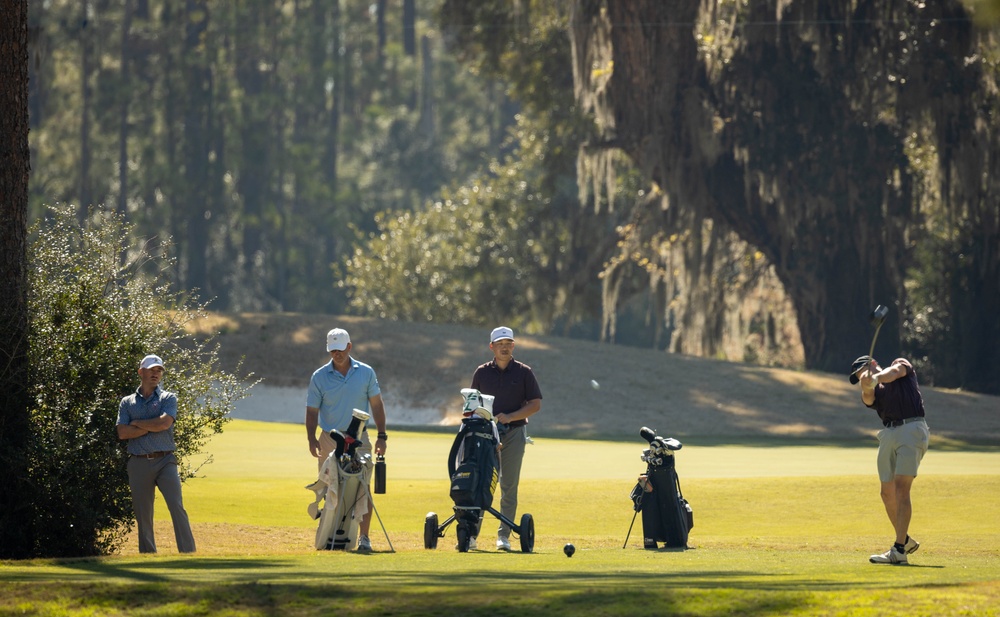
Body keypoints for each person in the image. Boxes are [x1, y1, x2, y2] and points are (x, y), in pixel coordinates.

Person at [305, 328, 388, 552]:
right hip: (329, 439)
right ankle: (330, 532)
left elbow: (377, 405)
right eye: (332, 350)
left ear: (349, 347)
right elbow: (312, 411)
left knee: (362, 487)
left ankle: (364, 538)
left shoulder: (366, 372)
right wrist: (311, 438)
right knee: (330, 486)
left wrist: (382, 436)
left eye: (340, 349)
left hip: (359, 438)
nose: (336, 354)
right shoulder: (319, 376)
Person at [850, 355, 929, 565]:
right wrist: (867, 386)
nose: (860, 377)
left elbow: (893, 374)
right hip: (888, 433)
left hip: (911, 428)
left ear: (872, 364)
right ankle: (906, 540)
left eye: (860, 372)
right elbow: (868, 397)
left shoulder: (900, 365)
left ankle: (899, 549)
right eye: (857, 376)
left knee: (902, 488)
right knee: (887, 492)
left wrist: (875, 377)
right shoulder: (873, 390)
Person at [470, 326, 542, 551]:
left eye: (508, 343)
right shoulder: (481, 372)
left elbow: (535, 404)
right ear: (491, 347)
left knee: (508, 486)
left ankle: (504, 536)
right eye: (500, 344)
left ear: (513, 346)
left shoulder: (524, 372)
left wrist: (510, 417)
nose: (504, 347)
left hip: (514, 434)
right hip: (485, 434)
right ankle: (471, 535)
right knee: (480, 482)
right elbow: (471, 405)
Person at [116, 354, 196, 554]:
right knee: (143, 514)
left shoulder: (168, 398)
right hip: (138, 462)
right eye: (151, 369)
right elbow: (123, 432)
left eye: (159, 370)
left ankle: (188, 553)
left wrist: (138, 424)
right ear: (140, 372)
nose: (155, 374)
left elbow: (164, 423)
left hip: (165, 460)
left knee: (176, 506)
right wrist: (152, 426)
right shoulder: (127, 402)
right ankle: (148, 555)